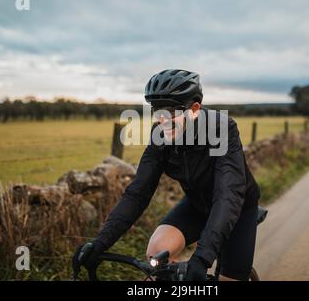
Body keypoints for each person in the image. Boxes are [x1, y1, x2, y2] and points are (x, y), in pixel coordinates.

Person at [72, 69, 261, 281]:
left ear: (195, 109)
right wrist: (100, 243)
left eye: (171, 112)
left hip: (237, 208)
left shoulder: (222, 129)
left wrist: (201, 259)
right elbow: (138, 193)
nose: (162, 120)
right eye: (157, 112)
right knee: (157, 256)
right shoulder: (160, 135)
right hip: (197, 205)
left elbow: (228, 196)